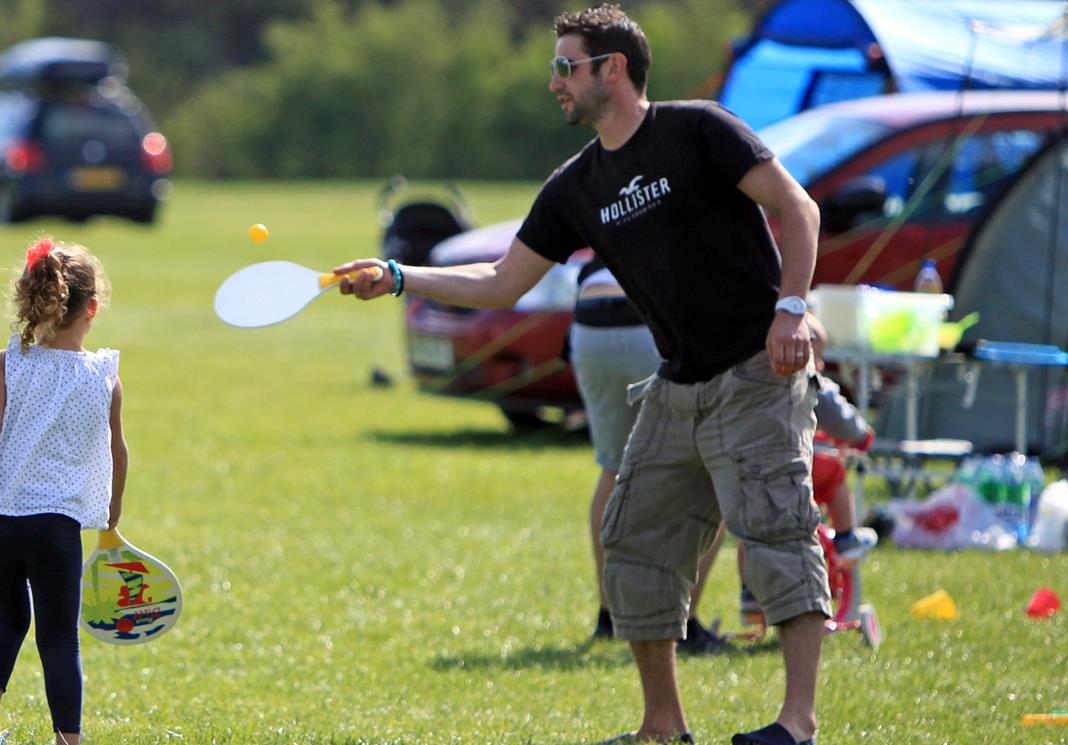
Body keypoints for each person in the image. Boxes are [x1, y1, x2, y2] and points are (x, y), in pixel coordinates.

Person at [336, 6, 827, 743]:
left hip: (755, 370)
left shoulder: (699, 131)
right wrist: (403, 276)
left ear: (613, 69)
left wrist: (791, 308)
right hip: (678, 382)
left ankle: (797, 723)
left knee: (777, 532)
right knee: (631, 542)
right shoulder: (576, 185)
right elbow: (504, 281)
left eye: (567, 66)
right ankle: (662, 725)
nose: (554, 82)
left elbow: (797, 205)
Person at [0, 237, 127, 745]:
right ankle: (69, 740)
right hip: (55, 527)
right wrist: (111, 515)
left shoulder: (8, 363)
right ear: (92, 308)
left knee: (5, 617)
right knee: (59, 638)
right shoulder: (103, 377)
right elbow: (118, 452)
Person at [571, 257, 729, 655]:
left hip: (589, 318)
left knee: (613, 467)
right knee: (711, 475)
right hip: (653, 317)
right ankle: (684, 623)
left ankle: (610, 617)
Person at [738, 315, 877, 627]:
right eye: (821, 356)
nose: (823, 364)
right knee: (837, 476)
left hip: (758, 471)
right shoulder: (815, 383)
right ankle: (845, 536)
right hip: (806, 467)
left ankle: (749, 593)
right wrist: (861, 435)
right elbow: (842, 421)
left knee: (751, 536)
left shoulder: (757, 383)